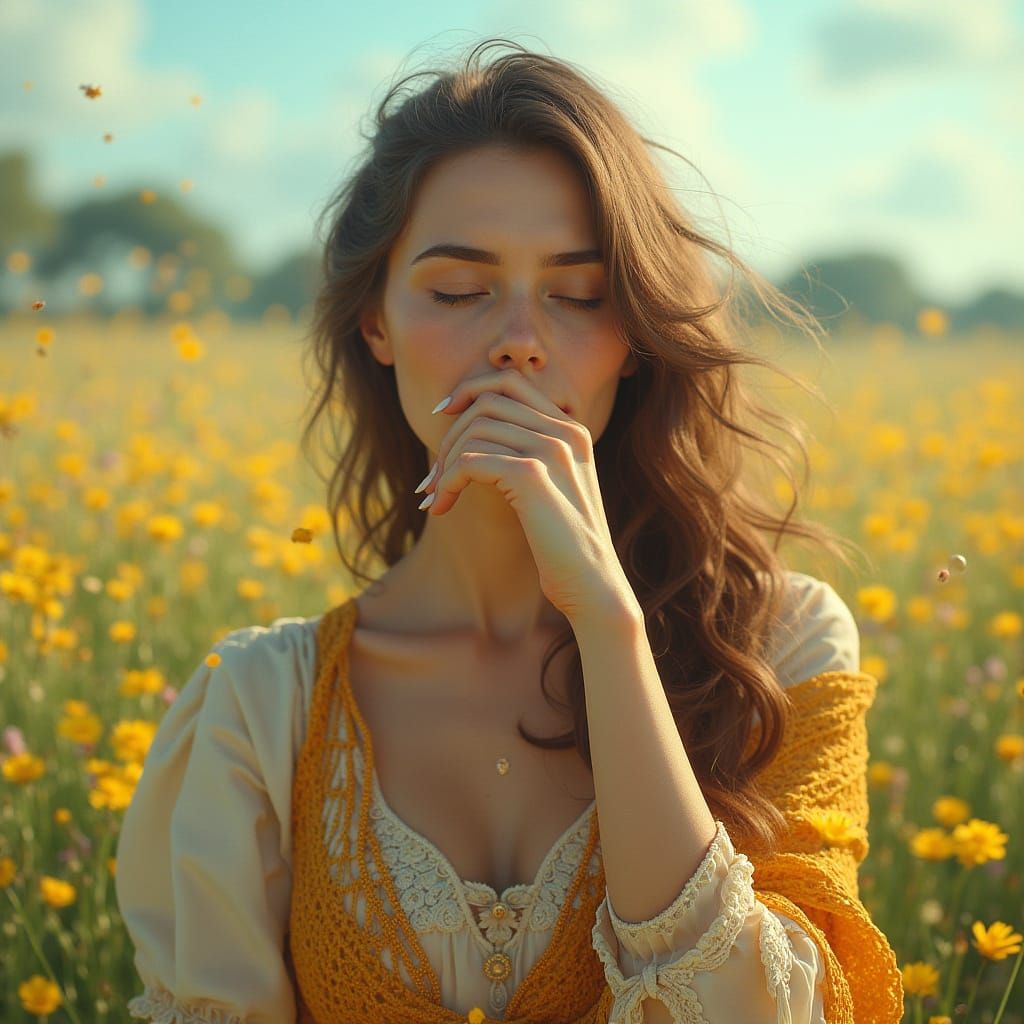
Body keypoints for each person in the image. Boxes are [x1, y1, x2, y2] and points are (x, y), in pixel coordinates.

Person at [116, 37, 903, 1023]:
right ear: (377, 324)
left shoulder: (780, 650)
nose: (518, 337)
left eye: (577, 294)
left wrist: (606, 625)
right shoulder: (261, 708)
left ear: (632, 341)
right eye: (457, 289)